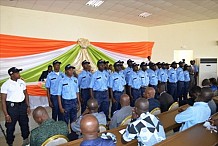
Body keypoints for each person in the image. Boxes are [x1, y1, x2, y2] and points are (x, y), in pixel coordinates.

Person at [1, 67, 30, 146]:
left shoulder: (22, 82)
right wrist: (6, 114)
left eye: (18, 72)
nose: (19, 74)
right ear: (12, 74)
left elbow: (26, 94)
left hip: (22, 106)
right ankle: (10, 143)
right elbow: (3, 101)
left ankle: (26, 141)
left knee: (25, 124)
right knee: (10, 127)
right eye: (17, 73)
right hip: (12, 108)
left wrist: (28, 106)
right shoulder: (6, 85)